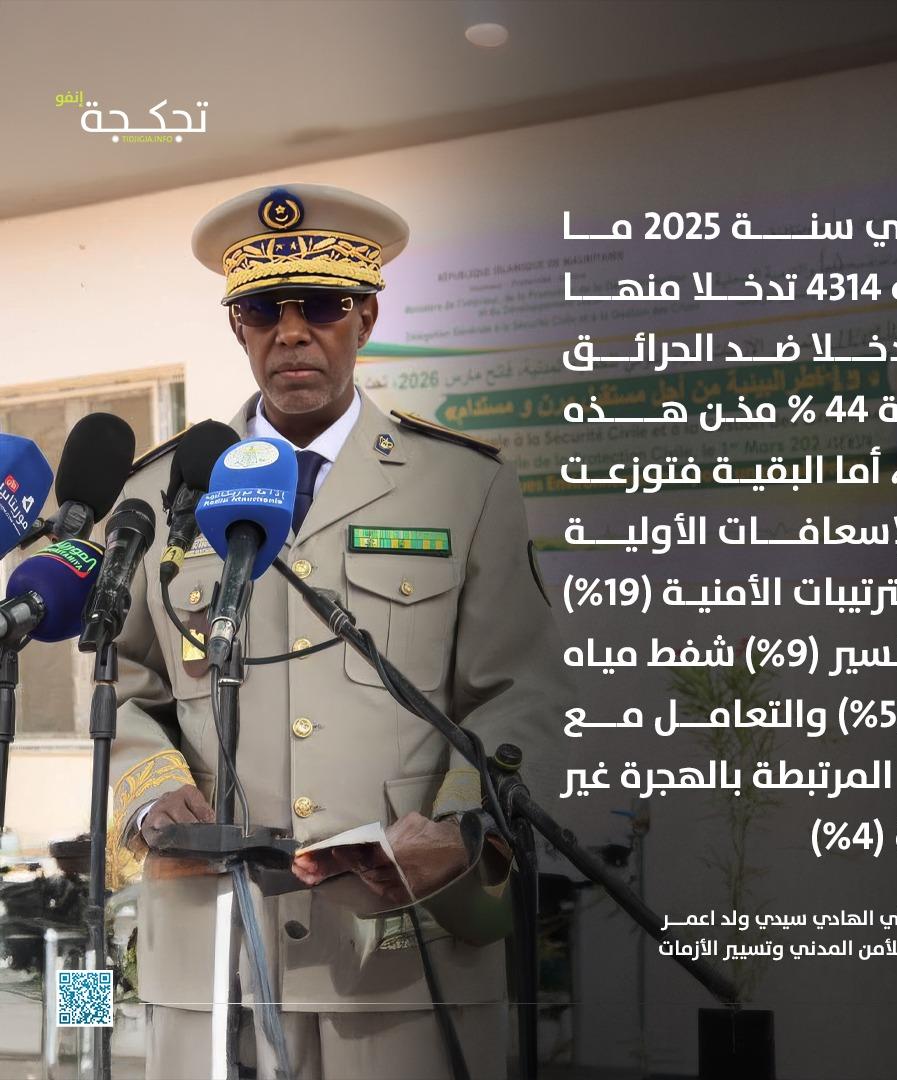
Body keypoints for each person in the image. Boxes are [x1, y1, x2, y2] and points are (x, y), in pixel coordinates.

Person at [106, 183, 569, 1079]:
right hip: (207, 946)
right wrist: (151, 785)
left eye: (319, 307)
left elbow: (522, 692)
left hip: (399, 944)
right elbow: (121, 681)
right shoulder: (161, 493)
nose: (291, 334)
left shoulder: (461, 484)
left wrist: (464, 827)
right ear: (237, 328)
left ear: (365, 317)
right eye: (262, 312)